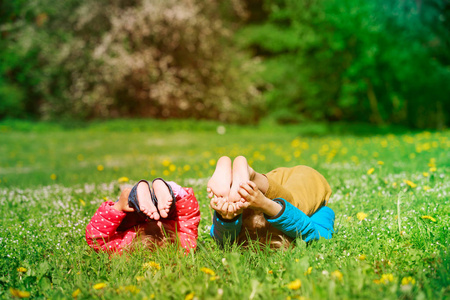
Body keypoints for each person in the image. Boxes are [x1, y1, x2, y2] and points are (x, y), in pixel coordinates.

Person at [208, 156, 335, 248]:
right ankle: (253, 178)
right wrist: (266, 205)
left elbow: (221, 239)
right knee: (298, 208)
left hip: (265, 187)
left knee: (297, 206)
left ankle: (247, 182)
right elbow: (316, 235)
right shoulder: (318, 214)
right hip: (302, 178)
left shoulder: (244, 227)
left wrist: (227, 216)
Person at [86, 178, 200, 254]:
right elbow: (96, 239)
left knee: (137, 210)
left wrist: (118, 206)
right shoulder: (122, 250)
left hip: (137, 220)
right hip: (145, 219)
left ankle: (164, 191)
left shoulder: (183, 246)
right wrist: (118, 207)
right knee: (137, 207)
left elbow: (188, 215)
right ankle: (147, 195)